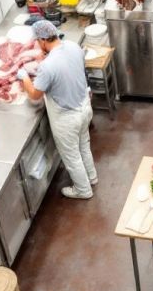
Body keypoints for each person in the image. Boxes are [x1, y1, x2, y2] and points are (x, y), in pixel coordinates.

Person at [17, 20, 97, 199]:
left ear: (43, 40)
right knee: (84, 145)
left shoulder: (47, 67)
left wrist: (24, 78)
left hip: (67, 119)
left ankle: (83, 190)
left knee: (72, 156)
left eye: (37, 41)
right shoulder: (73, 46)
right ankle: (92, 177)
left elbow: (35, 95)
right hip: (84, 107)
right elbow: (66, 66)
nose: (37, 44)